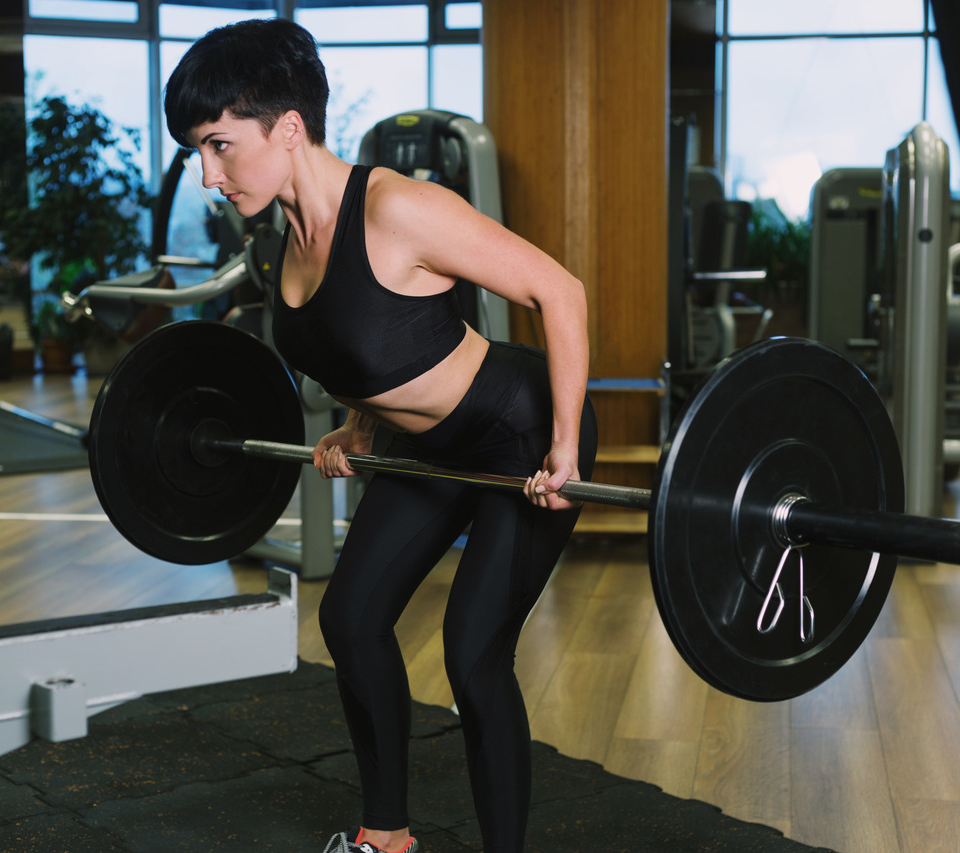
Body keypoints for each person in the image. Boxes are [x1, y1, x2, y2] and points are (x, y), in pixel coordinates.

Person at [164, 18, 597, 853]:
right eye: (199, 152)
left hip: (519, 434)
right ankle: (386, 835)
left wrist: (566, 447)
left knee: (474, 657)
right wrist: (358, 425)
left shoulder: (397, 208)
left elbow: (560, 290)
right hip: (431, 449)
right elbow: (372, 342)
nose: (209, 175)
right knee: (353, 616)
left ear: (288, 129)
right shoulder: (282, 240)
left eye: (219, 146)